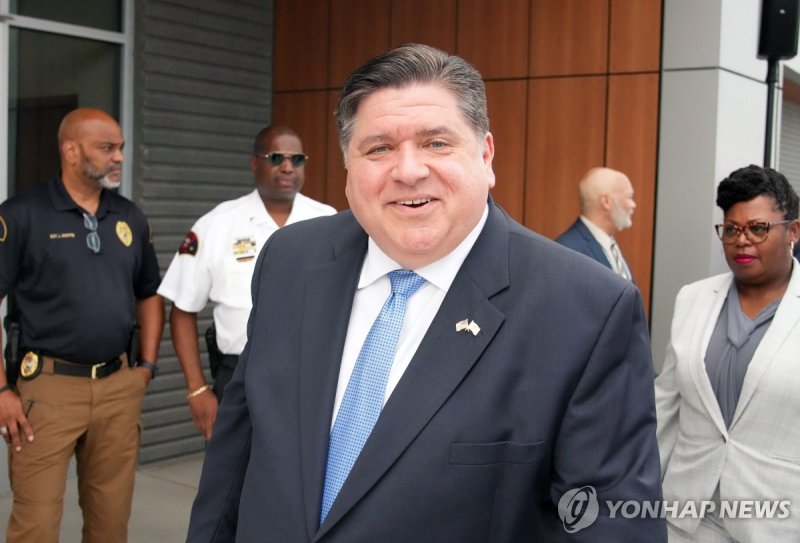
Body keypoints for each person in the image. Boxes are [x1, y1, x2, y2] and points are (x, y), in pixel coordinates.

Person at [187, 43, 664, 541]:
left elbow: (611, 526)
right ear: (348, 166)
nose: (408, 170)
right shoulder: (290, 261)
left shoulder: (586, 310)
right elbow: (235, 459)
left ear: (486, 155)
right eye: (379, 148)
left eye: (436, 143)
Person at [0, 107, 164, 542]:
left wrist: (145, 367)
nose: (119, 157)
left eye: (121, 148)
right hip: (47, 391)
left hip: (118, 388)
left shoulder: (129, 217)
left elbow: (150, 293)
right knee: (35, 526)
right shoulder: (21, 215)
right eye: (107, 148)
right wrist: (1, 390)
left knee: (110, 524)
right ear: (71, 151)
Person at [158, 126, 336, 440]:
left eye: (296, 159)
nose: (287, 167)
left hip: (313, 377)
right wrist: (196, 389)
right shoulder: (218, 224)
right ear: (255, 163)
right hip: (239, 376)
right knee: (233, 467)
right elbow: (183, 308)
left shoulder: (329, 223)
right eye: (276, 158)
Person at [656, 165, 800, 541]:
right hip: (686, 518)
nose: (742, 240)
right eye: (731, 229)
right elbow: (665, 408)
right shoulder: (693, 299)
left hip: (778, 522)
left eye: (758, 228)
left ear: (793, 231)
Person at [555, 167, 636, 280]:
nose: (633, 205)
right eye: (629, 197)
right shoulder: (568, 251)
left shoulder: (610, 247)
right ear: (606, 202)